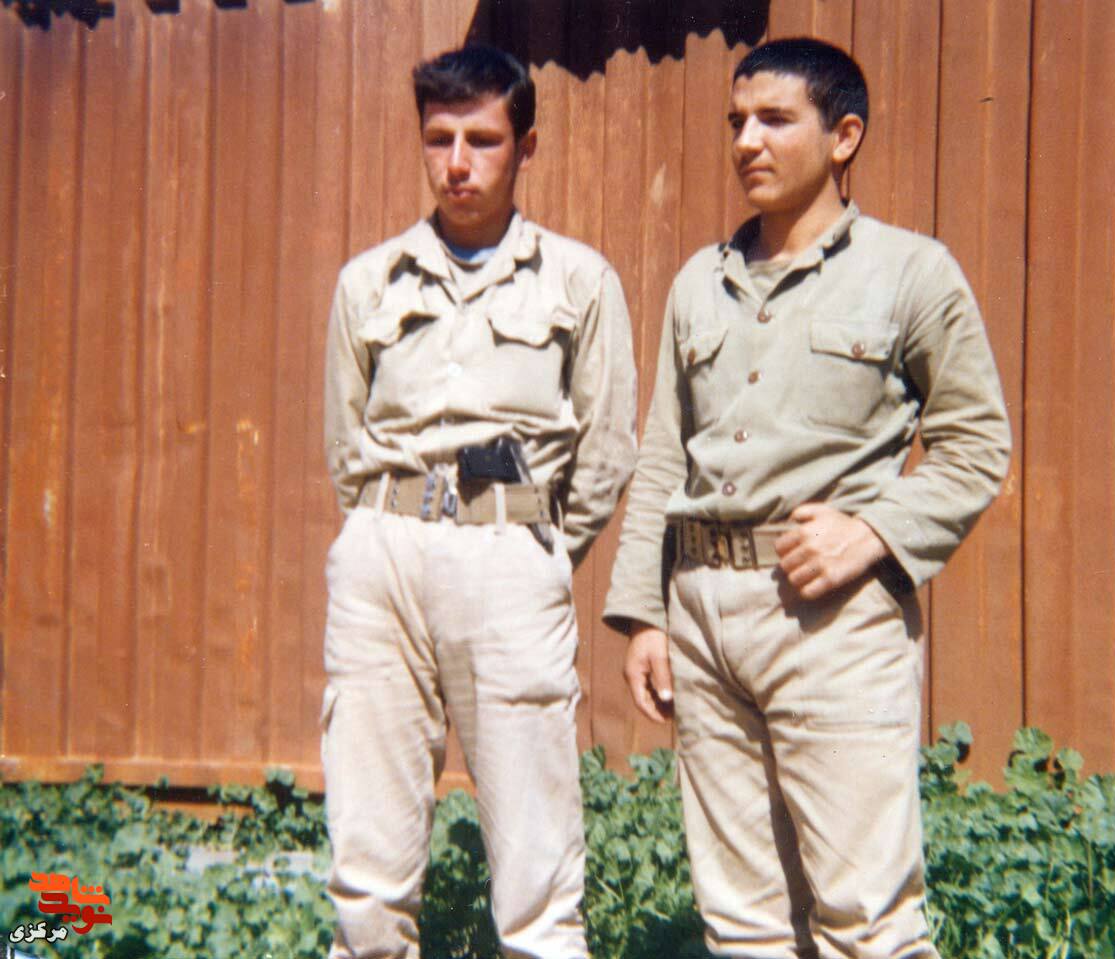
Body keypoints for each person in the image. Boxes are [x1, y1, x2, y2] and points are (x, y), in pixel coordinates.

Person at [604, 37, 1011, 959]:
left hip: (830, 619)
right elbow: (663, 455)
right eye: (736, 122)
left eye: (775, 120)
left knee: (865, 917)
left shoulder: (911, 272)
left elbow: (977, 444)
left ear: (843, 136)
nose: (747, 140)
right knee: (742, 920)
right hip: (702, 616)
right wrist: (643, 614)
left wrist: (873, 532)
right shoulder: (698, 284)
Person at [321, 45, 636, 959]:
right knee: (368, 838)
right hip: (383, 553)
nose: (458, 163)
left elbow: (607, 446)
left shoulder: (578, 280)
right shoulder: (369, 281)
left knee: (535, 843)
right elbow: (345, 442)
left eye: (483, 140)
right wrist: (383, 523)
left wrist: (539, 548)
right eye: (439, 139)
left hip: (508, 556)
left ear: (525, 146)